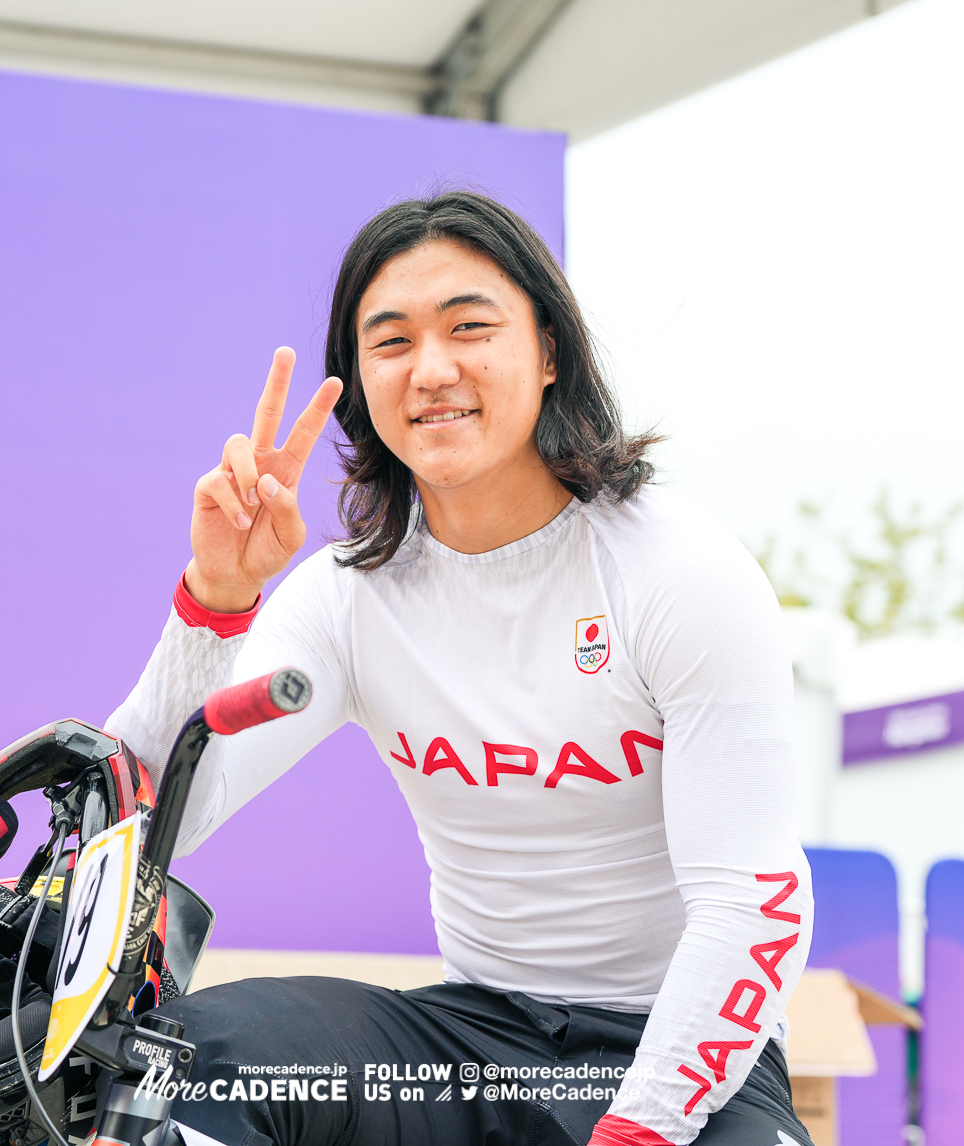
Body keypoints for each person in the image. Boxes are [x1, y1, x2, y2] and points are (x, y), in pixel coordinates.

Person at [106, 193, 814, 1146]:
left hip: (681, 1060)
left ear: (550, 351)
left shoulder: (681, 573)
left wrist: (637, 1129)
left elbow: (754, 907)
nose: (432, 369)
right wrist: (215, 600)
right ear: (359, 381)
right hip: (466, 1050)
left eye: (470, 328)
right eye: (391, 342)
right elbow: (155, 818)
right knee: (175, 1065)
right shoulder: (349, 594)